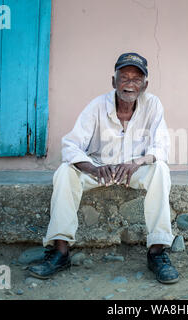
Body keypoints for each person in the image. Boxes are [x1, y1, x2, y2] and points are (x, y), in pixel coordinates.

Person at [29, 53, 179, 284]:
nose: (130, 84)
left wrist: (136, 163)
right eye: (124, 77)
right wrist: (92, 168)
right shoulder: (97, 105)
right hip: (99, 169)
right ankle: (60, 251)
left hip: (133, 168)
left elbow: (161, 146)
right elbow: (71, 145)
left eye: (136, 79)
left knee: (160, 170)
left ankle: (157, 253)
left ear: (145, 85)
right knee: (65, 172)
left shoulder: (153, 105)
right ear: (113, 81)